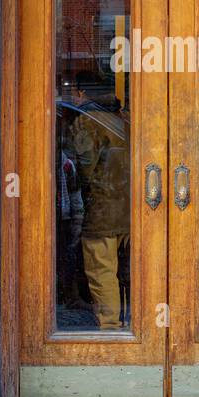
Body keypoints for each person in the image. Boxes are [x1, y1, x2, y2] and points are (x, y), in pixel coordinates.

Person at [70, 72, 130, 329]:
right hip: (132, 208)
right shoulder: (124, 120)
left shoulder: (88, 122)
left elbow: (85, 167)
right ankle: (131, 323)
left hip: (102, 210)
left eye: (74, 92)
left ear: (82, 93)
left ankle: (111, 328)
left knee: (101, 270)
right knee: (126, 271)